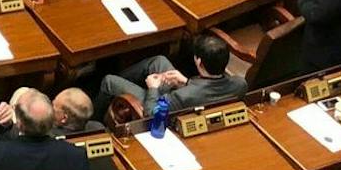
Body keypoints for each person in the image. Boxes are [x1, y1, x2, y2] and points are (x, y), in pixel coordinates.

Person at [89, 34, 244, 122]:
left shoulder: (183, 95)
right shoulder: (240, 83)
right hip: (194, 94)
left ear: (199, 61)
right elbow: (209, 91)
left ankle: (91, 120)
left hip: (162, 108)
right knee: (159, 62)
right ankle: (124, 83)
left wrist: (153, 88)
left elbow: (151, 114)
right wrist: (186, 81)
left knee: (109, 81)